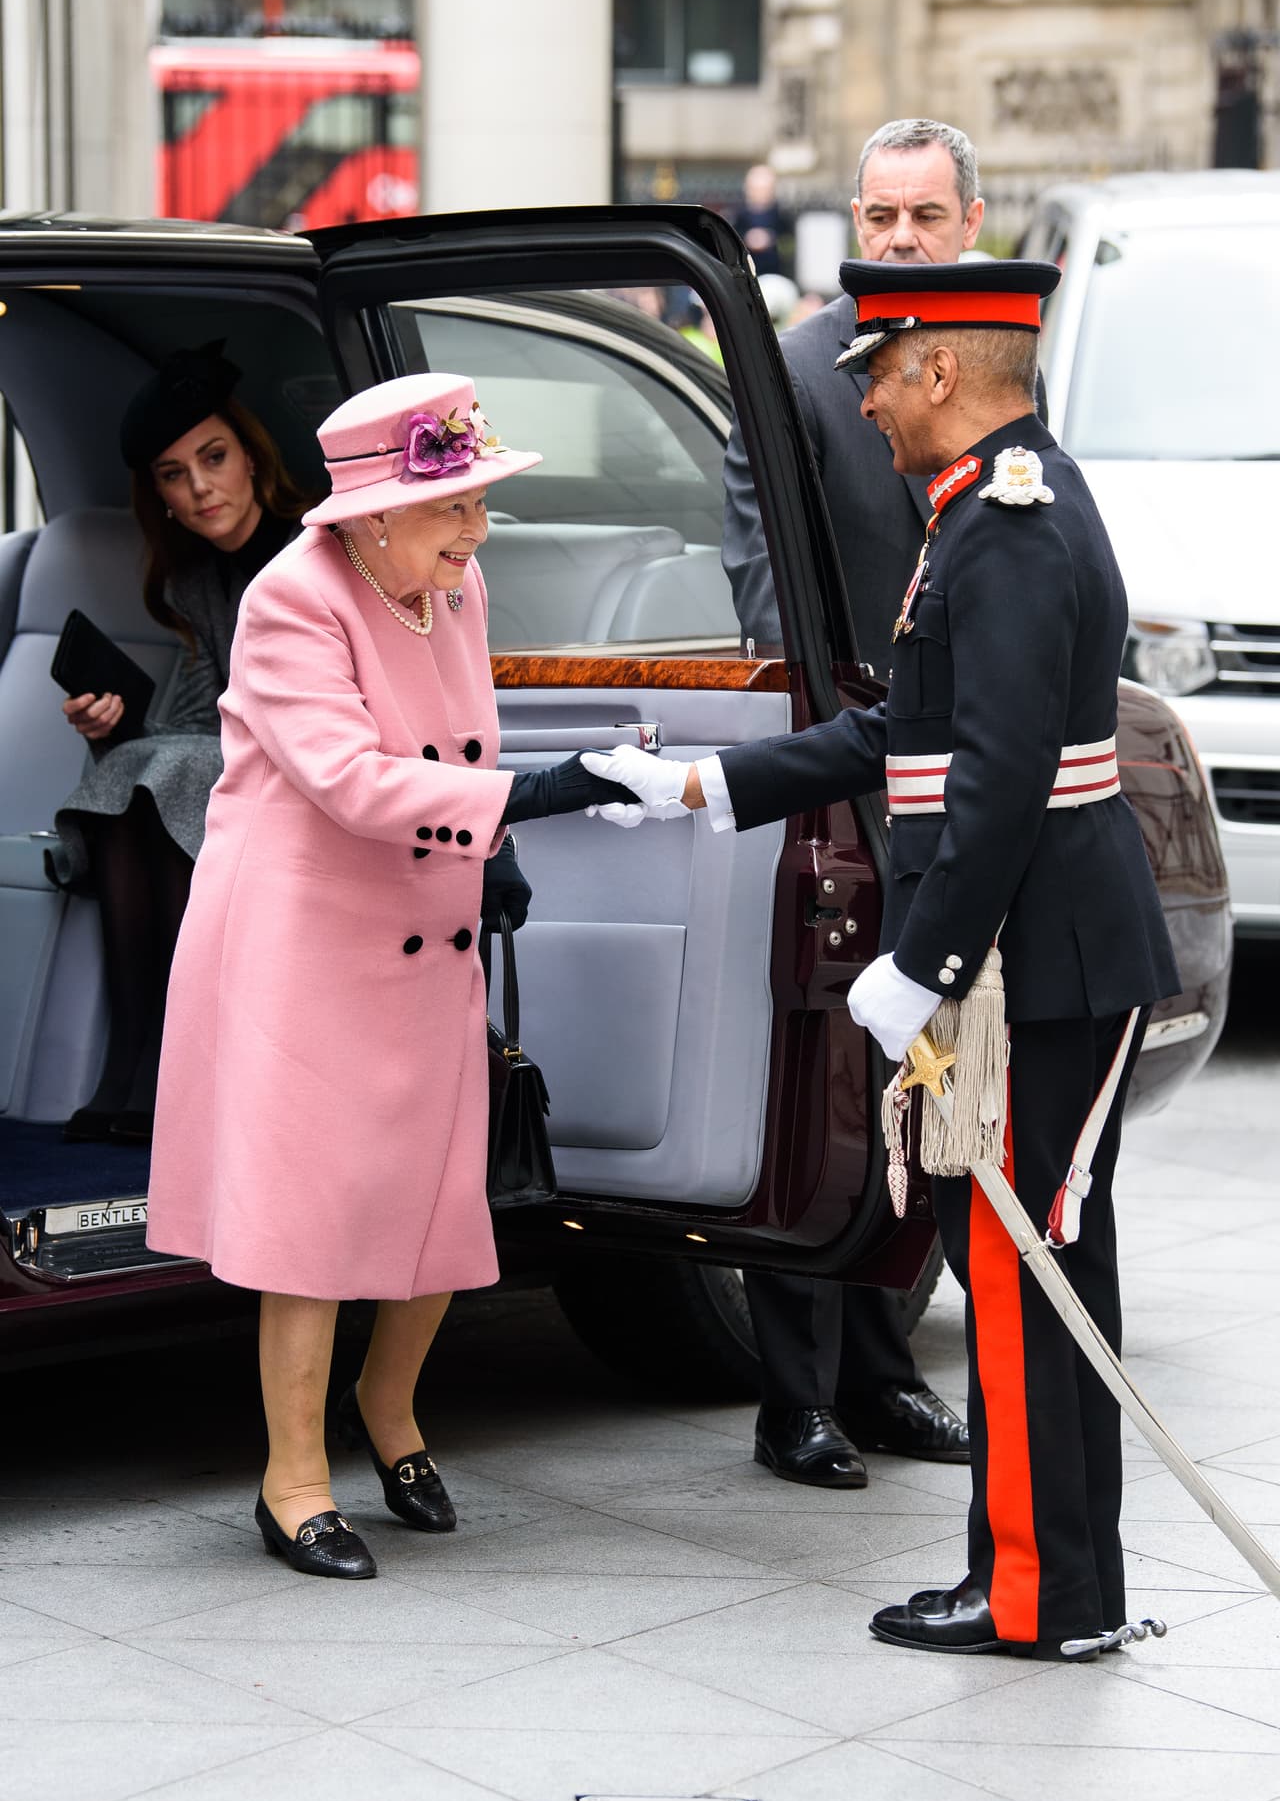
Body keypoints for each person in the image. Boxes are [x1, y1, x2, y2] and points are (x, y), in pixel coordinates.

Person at [581, 258, 1180, 1660]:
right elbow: (898, 732)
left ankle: (1039, 1594)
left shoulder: (1013, 523)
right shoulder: (982, 511)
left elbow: (1006, 776)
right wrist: (707, 788)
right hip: (1046, 950)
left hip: (1042, 961)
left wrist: (925, 962)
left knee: (1029, 1267)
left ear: (942, 373)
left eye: (877, 367)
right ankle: (1056, 1584)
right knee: (1038, 1267)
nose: (858, 392)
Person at [145, 373, 635, 1581]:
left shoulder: (449, 582)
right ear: (367, 512)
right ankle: (292, 1481)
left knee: (431, 1192)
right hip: (303, 930)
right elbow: (353, 781)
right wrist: (530, 795)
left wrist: (498, 844)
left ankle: (393, 1414)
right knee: (312, 1212)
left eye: (475, 503)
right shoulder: (288, 603)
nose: (473, 531)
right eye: (451, 507)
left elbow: (461, 727)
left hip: (425, 909)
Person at [718, 119, 990, 1488]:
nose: (895, 238)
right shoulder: (799, 366)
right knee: (820, 1084)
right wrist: (821, 703)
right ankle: (796, 1398)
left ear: (967, 222)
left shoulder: (1001, 369)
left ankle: (889, 1370)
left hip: (966, 781)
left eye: (922, 217)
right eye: (877, 216)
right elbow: (754, 540)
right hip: (842, 765)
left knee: (928, 1083)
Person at [51, 342, 309, 1142]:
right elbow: (194, 720)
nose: (199, 488)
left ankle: (161, 1070)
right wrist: (113, 728)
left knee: (177, 769)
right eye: (173, 473)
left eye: (214, 457)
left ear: (252, 460)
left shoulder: (313, 552)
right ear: (157, 495)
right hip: (235, 775)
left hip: (314, 775)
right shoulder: (193, 583)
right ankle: (134, 1068)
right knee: (143, 764)